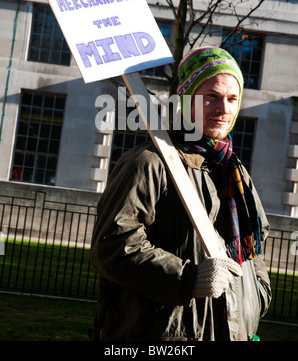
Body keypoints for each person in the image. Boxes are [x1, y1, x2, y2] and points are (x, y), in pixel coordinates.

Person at [90, 46, 271, 342]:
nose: (223, 109)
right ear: (186, 100)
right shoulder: (149, 163)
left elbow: (254, 249)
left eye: (231, 99)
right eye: (211, 97)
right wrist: (187, 279)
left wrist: (255, 298)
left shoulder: (234, 171)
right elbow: (111, 246)